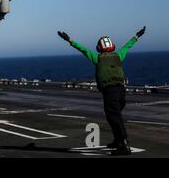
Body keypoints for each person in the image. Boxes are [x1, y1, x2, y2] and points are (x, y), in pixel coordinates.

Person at [57, 26, 146, 156]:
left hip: (110, 92)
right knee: (113, 117)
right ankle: (117, 141)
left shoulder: (97, 58)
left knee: (114, 118)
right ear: (112, 46)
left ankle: (124, 146)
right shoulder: (118, 56)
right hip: (121, 91)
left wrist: (69, 40)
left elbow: (83, 49)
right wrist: (137, 36)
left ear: (99, 48)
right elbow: (128, 45)